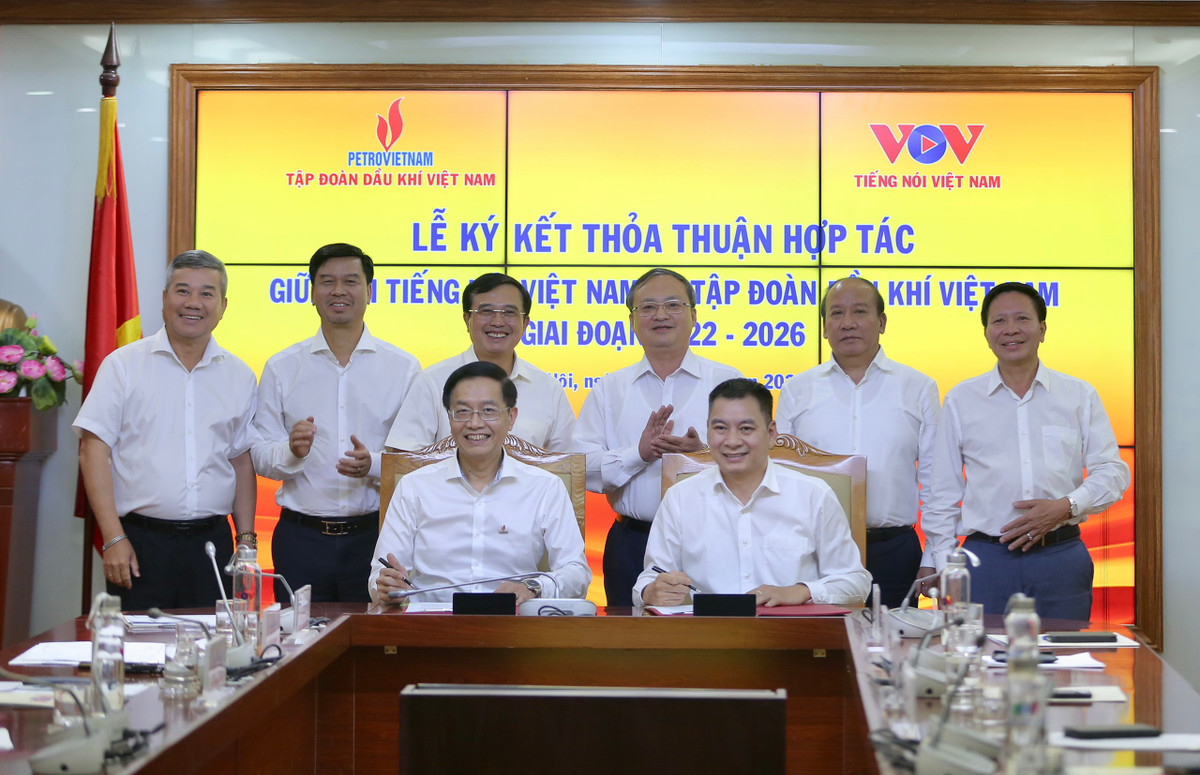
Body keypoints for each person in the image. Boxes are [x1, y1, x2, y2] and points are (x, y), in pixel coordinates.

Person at [922, 282, 1130, 620]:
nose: (1010, 329)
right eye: (999, 321)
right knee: (976, 652)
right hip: (984, 560)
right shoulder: (961, 399)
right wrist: (944, 562)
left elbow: (1113, 472)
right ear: (986, 333)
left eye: (1022, 318)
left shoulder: (1079, 395)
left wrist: (1065, 506)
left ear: (1042, 329)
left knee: (1064, 652)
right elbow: (941, 491)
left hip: (1060, 557)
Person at [74, 250, 257, 610]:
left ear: (223, 306)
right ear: (164, 298)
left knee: (215, 643)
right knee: (140, 642)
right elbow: (92, 449)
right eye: (182, 290)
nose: (193, 303)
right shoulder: (123, 365)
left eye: (207, 293)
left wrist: (246, 541)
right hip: (140, 543)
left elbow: (240, 461)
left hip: (213, 546)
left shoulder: (240, 375)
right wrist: (113, 537)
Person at [252, 243, 421, 603]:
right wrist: (292, 451)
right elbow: (260, 456)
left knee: (374, 634)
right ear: (312, 292)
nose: (339, 290)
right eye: (327, 281)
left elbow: (417, 461)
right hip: (301, 539)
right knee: (299, 634)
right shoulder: (281, 367)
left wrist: (372, 464)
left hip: (376, 536)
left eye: (351, 281)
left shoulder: (403, 368)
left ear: (369, 291)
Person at [575, 268, 741, 608]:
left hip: (715, 540)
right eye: (648, 307)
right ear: (632, 322)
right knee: (628, 638)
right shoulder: (609, 389)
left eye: (673, 305)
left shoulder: (728, 382)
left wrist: (702, 457)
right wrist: (638, 454)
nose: (661, 315)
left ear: (694, 316)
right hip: (631, 541)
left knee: (718, 637)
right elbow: (582, 468)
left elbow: (759, 461)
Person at [776, 277, 939, 608]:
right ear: (824, 327)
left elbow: (937, 481)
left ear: (881, 322)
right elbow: (781, 477)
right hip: (814, 552)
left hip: (893, 550)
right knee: (816, 640)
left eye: (860, 312)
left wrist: (934, 554)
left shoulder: (919, 387)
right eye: (837, 313)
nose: (847, 323)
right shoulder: (797, 390)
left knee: (893, 638)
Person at [635, 378, 870, 607]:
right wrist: (651, 591)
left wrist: (800, 591)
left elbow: (856, 581)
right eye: (720, 428)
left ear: (771, 433)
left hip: (791, 630)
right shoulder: (680, 497)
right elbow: (648, 580)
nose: (732, 441)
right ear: (708, 431)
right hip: (708, 630)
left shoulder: (813, 495)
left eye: (746, 428)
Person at [370, 361, 590, 604]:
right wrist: (387, 585)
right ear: (449, 417)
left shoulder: (545, 488)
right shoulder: (414, 487)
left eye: (488, 411)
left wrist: (534, 587)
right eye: (462, 411)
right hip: (434, 620)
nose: (475, 423)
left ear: (511, 417)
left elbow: (577, 573)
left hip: (512, 619)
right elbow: (379, 577)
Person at [385, 272, 575, 451]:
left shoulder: (549, 389)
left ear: (525, 323)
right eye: (486, 311)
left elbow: (569, 465)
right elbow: (403, 458)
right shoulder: (432, 381)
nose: (498, 322)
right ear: (467, 319)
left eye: (509, 313)